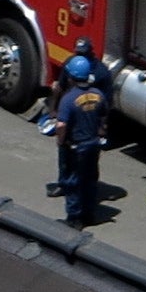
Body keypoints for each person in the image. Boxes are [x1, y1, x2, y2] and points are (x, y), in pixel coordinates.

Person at [54, 49, 114, 224]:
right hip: (93, 145)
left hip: (76, 147)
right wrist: (100, 131)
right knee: (89, 180)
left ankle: (74, 220)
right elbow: (104, 117)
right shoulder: (98, 95)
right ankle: (89, 215)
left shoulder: (68, 99)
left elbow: (61, 125)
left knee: (73, 182)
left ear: (71, 77)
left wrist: (61, 140)